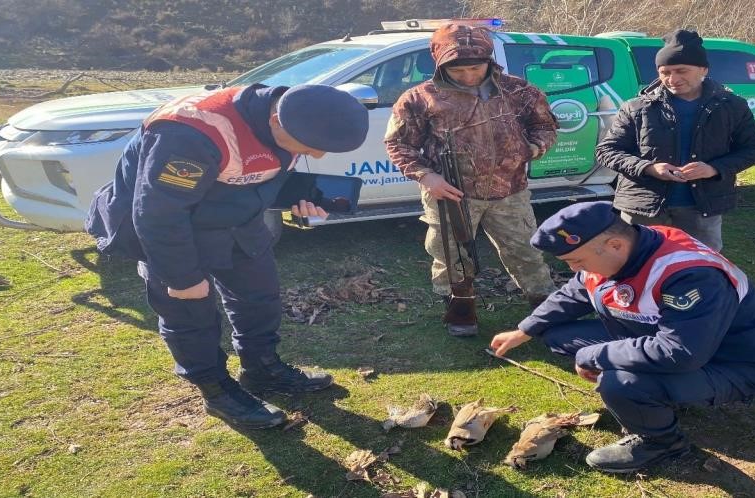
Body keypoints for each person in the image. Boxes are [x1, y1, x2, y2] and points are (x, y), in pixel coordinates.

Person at [86, 84, 368, 429]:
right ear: (278, 120)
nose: (318, 156)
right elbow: (158, 214)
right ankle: (216, 391)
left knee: (259, 297)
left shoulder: (290, 120)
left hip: (237, 220)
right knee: (190, 313)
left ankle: (262, 369)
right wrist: (182, 279)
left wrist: (300, 198)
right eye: (310, 148)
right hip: (175, 230)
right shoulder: (189, 131)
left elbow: (258, 174)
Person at [490, 201, 755, 473]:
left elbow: (680, 353)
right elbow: (576, 291)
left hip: (733, 365)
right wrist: (525, 329)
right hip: (680, 341)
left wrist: (595, 357)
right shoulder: (624, 248)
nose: (573, 269)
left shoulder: (689, 275)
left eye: (576, 261)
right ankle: (661, 395)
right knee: (558, 335)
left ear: (615, 245)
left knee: (619, 382)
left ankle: (661, 444)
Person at [385, 23, 558, 336]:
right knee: (451, 255)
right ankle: (461, 310)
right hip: (449, 192)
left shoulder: (519, 90)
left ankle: (545, 308)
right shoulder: (419, 98)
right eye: (458, 69)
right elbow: (399, 144)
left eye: (474, 68)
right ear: (440, 63)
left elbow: (545, 127)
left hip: (510, 190)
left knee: (526, 251)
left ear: (489, 62)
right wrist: (427, 176)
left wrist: (530, 149)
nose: (467, 76)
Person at [595, 29, 755, 251]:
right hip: (643, 207)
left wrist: (714, 168)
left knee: (700, 270)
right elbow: (607, 151)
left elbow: (753, 149)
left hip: (701, 207)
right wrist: (648, 168)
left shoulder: (731, 106)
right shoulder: (636, 107)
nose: (672, 79)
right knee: (637, 270)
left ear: (703, 69)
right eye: (665, 72)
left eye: (681, 71)